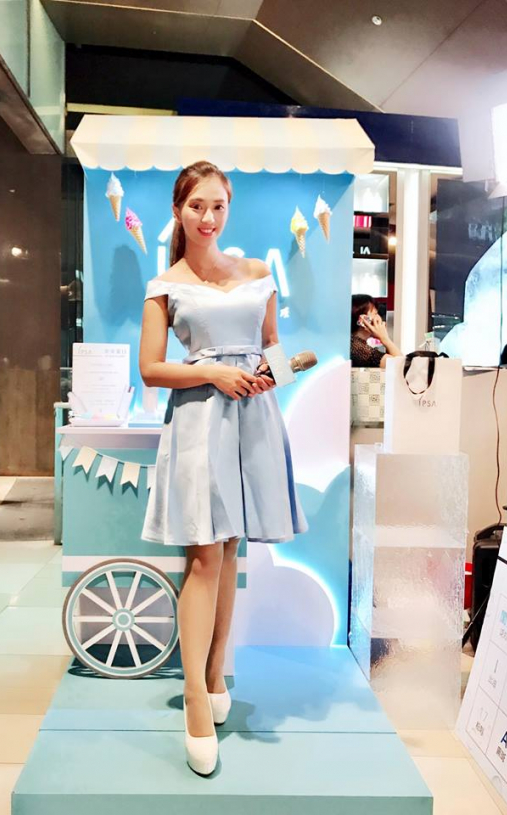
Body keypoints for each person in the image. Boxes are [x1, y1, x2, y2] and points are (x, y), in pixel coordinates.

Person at [139, 161, 307, 776]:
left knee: (231, 548)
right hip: (199, 422)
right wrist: (212, 371)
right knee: (204, 556)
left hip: (253, 419)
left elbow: (274, 348)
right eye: (196, 206)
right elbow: (151, 369)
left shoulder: (258, 273)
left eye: (218, 206)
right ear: (178, 211)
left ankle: (215, 671)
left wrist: (273, 375)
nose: (208, 218)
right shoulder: (165, 285)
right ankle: (193, 697)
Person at [350, 294, 401, 368]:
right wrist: (384, 338)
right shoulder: (358, 348)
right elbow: (402, 366)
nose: (379, 317)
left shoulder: (353, 342)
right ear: (362, 320)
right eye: (375, 313)